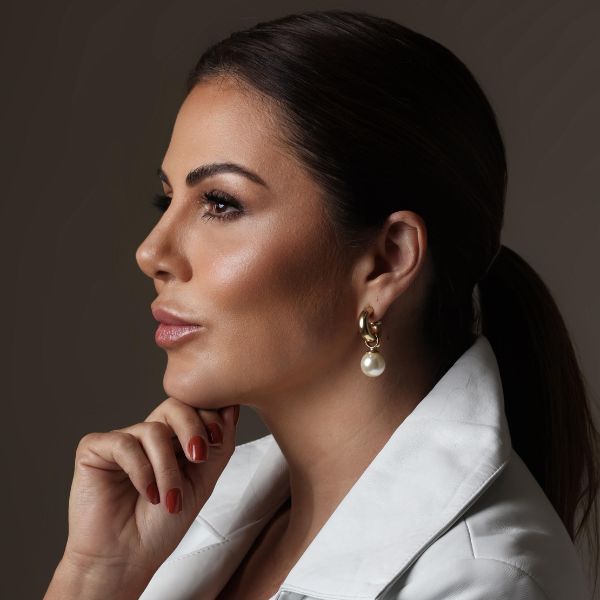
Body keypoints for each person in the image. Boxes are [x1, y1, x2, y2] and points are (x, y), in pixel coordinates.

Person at [44, 9, 598, 600]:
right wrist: (95, 575)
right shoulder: (181, 524)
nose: (151, 253)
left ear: (386, 260)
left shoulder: (483, 581)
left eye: (221, 204)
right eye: (167, 201)